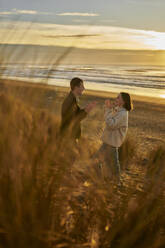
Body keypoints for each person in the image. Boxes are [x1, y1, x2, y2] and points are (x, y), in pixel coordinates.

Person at [98, 92, 133, 183]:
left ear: (124, 101)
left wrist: (108, 110)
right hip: (108, 141)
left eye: (118, 98)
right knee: (99, 160)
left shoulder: (123, 114)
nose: (116, 99)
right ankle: (97, 177)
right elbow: (108, 118)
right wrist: (108, 107)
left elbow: (111, 124)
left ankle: (117, 182)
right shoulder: (118, 110)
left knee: (113, 164)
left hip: (112, 143)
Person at [60, 77, 96, 145]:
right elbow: (76, 118)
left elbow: (76, 114)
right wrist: (88, 108)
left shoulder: (72, 99)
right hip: (69, 137)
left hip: (68, 136)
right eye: (82, 86)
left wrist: (87, 108)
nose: (84, 88)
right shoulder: (70, 101)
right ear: (76, 87)